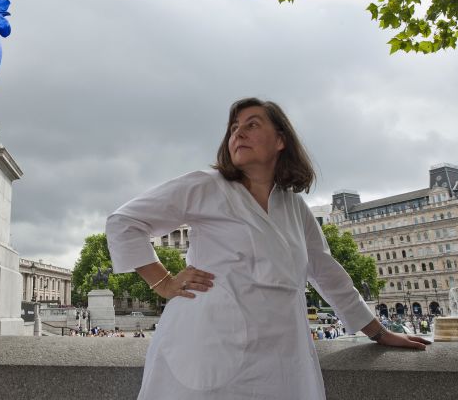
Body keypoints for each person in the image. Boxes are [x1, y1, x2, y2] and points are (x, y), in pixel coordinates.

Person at [106, 97, 430, 399]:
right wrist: (162, 282)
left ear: (280, 140)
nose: (238, 133)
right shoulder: (206, 185)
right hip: (208, 344)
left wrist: (377, 332)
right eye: (233, 128)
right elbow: (124, 222)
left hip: (281, 355)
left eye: (252, 124)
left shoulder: (295, 207)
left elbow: (327, 272)